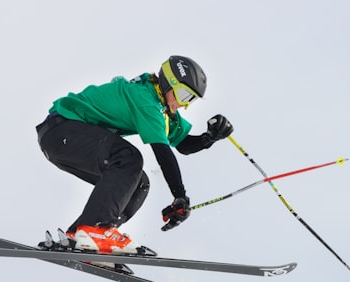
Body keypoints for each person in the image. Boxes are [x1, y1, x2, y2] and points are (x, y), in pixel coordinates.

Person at [35, 55, 234, 256]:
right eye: (184, 95)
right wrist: (179, 195)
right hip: (62, 130)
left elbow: (183, 144)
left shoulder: (162, 110)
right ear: (169, 82)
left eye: (191, 99)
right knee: (128, 158)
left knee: (139, 183)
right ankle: (95, 230)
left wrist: (209, 138)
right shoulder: (145, 99)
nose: (185, 104)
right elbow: (162, 152)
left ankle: (80, 237)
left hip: (65, 141)